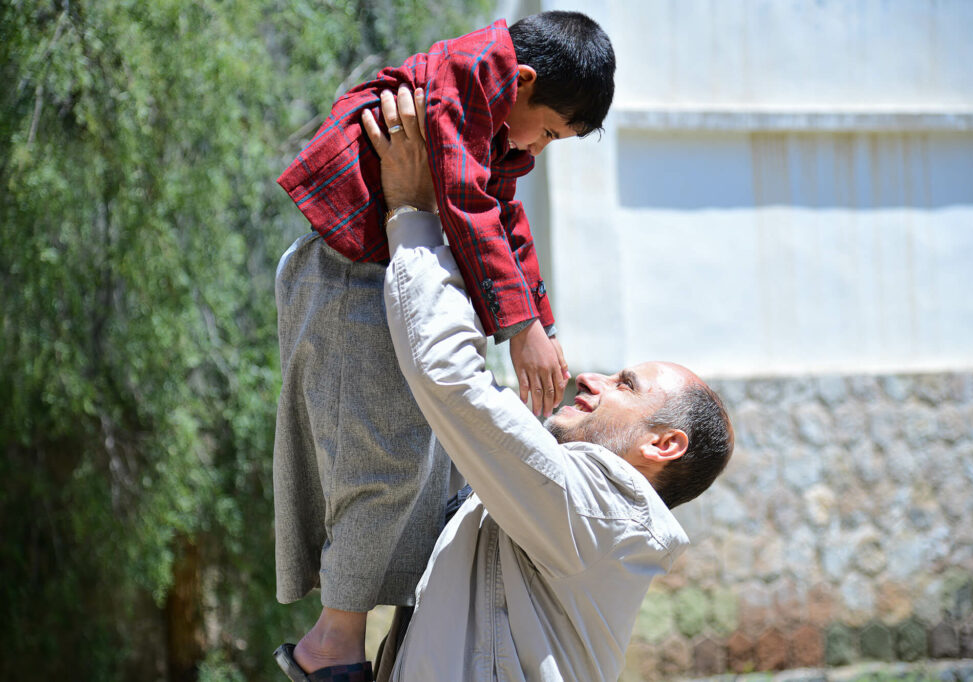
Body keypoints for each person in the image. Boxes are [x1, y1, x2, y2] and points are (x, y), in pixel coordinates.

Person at [272, 11, 616, 680]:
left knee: (438, 470)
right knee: (383, 462)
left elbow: (501, 213)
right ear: (520, 81)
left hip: (388, 272)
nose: (539, 149)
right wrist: (516, 327)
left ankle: (391, 634)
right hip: (348, 274)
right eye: (545, 130)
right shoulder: (466, 77)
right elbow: (462, 199)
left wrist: (539, 322)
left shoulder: (493, 112)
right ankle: (331, 645)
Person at [375, 87, 732, 681]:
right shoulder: (564, 510)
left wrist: (412, 213)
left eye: (625, 384)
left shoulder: (603, 514)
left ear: (663, 444)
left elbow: (451, 378)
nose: (589, 379)